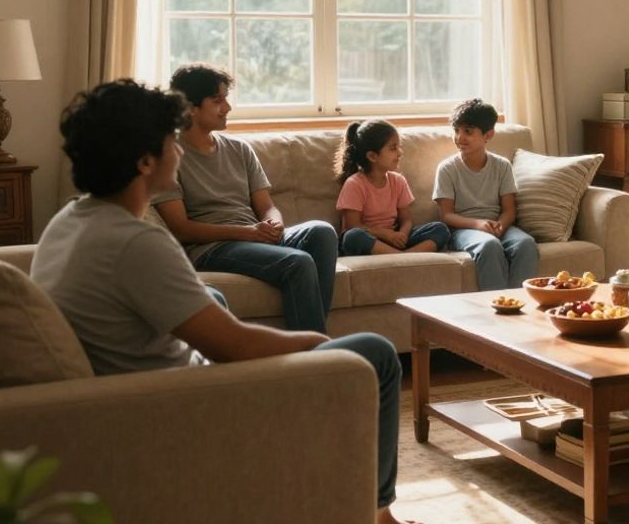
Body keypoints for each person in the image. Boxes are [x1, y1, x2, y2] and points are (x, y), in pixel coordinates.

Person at [31, 80, 413, 523]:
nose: (178, 148)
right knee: (378, 353)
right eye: (169, 140)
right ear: (144, 160)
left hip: (158, 385)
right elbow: (236, 349)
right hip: (197, 405)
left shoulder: (70, 220)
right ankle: (376, 512)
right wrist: (313, 344)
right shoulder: (137, 243)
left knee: (211, 294)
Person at [154, 64, 337, 333]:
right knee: (298, 262)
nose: (227, 107)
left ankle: (313, 346)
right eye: (218, 101)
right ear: (190, 107)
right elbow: (181, 229)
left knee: (322, 232)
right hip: (213, 247)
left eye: (226, 99)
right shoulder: (170, 157)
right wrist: (248, 233)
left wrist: (272, 223)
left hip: (254, 235)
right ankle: (315, 356)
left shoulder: (240, 149)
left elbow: (268, 206)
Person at [433, 99, 538, 291]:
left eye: (468, 131)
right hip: (463, 229)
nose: (460, 137)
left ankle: (519, 304)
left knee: (526, 244)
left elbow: (509, 210)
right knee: (489, 245)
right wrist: (478, 224)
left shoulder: (502, 165)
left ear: (488, 134)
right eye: (456, 130)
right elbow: (446, 215)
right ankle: (498, 305)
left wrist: (501, 225)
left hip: (497, 225)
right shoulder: (447, 169)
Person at [336, 119, 450, 255]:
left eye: (398, 147)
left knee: (440, 229)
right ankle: (404, 258)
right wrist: (385, 234)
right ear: (372, 156)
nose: (400, 152)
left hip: (394, 239)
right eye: (393, 148)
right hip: (371, 240)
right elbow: (353, 225)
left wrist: (402, 234)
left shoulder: (398, 181)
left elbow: (406, 219)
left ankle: (399, 257)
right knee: (352, 237)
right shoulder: (354, 184)